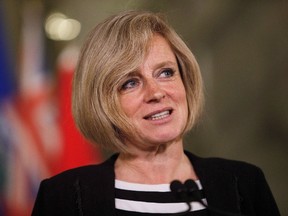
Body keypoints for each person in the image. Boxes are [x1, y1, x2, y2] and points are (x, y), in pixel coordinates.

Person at [31, 11, 280, 216]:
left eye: (166, 73)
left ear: (186, 80)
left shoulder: (244, 184)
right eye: (130, 83)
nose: (156, 92)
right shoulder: (63, 197)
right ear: (103, 103)